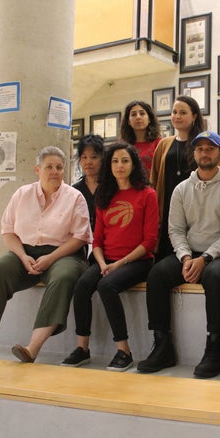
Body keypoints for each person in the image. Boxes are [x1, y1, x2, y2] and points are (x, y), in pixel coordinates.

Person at [0, 146, 92, 363]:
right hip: (24, 252)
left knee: (63, 277)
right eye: (49, 167)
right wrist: (23, 256)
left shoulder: (75, 197)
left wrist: (50, 258)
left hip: (64, 254)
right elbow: (8, 231)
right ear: (37, 170)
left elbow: (80, 238)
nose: (54, 171)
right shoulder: (22, 194)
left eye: (59, 167)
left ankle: (32, 348)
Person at [137, 131, 220, 378]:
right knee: (157, 274)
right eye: (200, 148)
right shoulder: (182, 189)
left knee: (214, 277)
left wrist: (205, 258)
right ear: (193, 153)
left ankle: (214, 346)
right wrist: (186, 257)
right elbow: (175, 229)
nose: (204, 152)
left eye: (210, 148)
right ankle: (162, 344)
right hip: (190, 253)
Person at [61, 143, 159, 371]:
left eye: (125, 160)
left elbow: (149, 241)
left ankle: (123, 351)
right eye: (115, 161)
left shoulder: (147, 194)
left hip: (138, 261)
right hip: (107, 259)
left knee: (106, 286)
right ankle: (82, 348)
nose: (120, 166)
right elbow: (97, 240)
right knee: (83, 284)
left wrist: (118, 264)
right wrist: (104, 263)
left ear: (133, 164)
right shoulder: (105, 195)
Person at [150, 95, 207, 260]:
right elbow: (154, 178)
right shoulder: (164, 144)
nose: (177, 116)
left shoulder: (203, 144)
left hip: (196, 208)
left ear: (194, 116)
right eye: (174, 112)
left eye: (183, 112)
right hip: (168, 206)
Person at [119, 100, 162, 175]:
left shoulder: (160, 144)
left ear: (149, 119)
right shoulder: (122, 146)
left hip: (154, 186)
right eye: (133, 114)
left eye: (142, 113)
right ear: (128, 121)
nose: (138, 117)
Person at [73, 134, 104, 231]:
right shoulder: (75, 190)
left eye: (94, 157)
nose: (88, 162)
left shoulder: (110, 186)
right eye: (84, 157)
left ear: (103, 159)